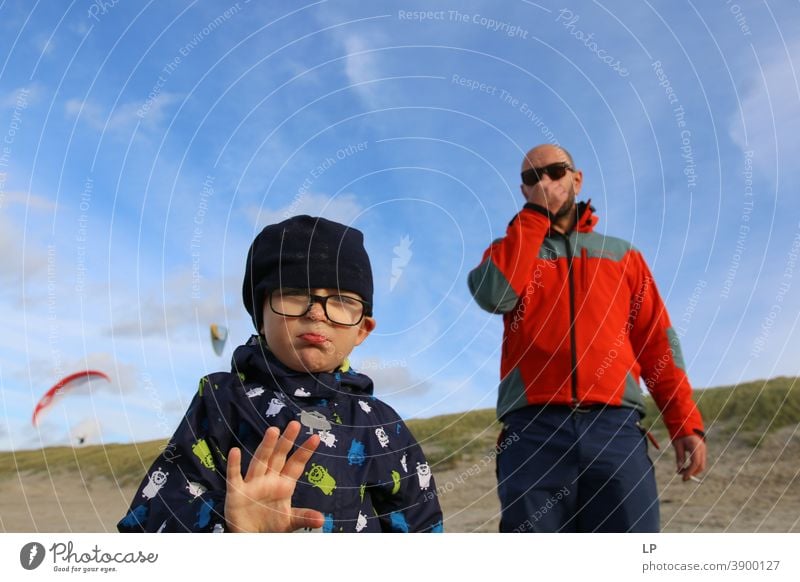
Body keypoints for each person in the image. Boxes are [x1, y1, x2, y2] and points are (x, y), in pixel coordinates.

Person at [118, 215, 443, 533]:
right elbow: (152, 515)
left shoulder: (380, 422)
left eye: (342, 300)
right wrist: (230, 525)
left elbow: (420, 522)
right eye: (294, 295)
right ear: (260, 316)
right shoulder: (221, 399)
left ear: (362, 330)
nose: (316, 312)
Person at [467, 144, 706, 532]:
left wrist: (683, 422)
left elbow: (658, 343)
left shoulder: (623, 257)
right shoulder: (507, 251)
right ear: (524, 191)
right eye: (531, 177)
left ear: (576, 179)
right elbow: (495, 296)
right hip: (533, 434)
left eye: (555, 171)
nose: (544, 181)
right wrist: (534, 218)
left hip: (616, 430)